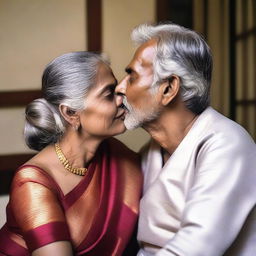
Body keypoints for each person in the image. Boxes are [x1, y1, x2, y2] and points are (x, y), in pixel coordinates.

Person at [115, 23, 256, 256]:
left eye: (131, 76)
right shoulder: (149, 152)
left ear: (168, 88)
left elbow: (196, 248)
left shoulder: (227, 144)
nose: (120, 88)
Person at [0, 51, 142, 256]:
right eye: (109, 93)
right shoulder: (33, 183)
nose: (122, 98)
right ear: (71, 113)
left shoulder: (116, 154)